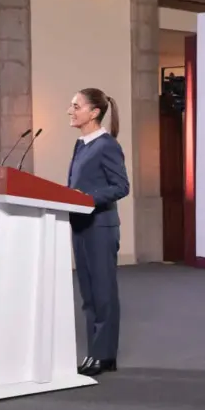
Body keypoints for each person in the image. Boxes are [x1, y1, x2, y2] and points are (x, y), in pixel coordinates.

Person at [66, 88, 131, 377]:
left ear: (94, 112)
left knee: (103, 292)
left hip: (100, 227)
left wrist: (86, 197)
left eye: (76, 106)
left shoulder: (106, 145)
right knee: (89, 294)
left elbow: (121, 187)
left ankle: (104, 355)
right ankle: (95, 352)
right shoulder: (82, 145)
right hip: (81, 226)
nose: (70, 110)